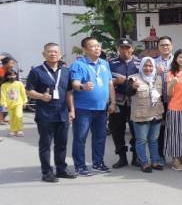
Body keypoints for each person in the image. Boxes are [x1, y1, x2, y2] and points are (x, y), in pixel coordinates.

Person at [25, 43, 77, 182]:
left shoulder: (66, 72)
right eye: (49, 52)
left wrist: (72, 109)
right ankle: (47, 172)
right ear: (44, 54)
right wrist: (41, 96)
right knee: (45, 144)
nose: (53, 54)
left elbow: (69, 92)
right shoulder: (36, 71)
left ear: (60, 54)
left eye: (55, 52)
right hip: (45, 114)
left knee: (61, 144)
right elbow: (28, 90)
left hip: (62, 114)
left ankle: (61, 169)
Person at [69, 37, 116, 176]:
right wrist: (83, 86)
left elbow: (110, 84)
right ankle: (80, 165)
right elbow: (74, 84)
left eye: (98, 46)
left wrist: (113, 102)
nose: (97, 48)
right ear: (84, 49)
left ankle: (98, 162)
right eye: (93, 46)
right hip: (83, 108)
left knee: (100, 137)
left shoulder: (104, 63)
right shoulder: (78, 64)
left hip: (101, 108)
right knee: (80, 138)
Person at [108, 38, 141, 168]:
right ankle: (121, 157)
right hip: (117, 101)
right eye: (122, 47)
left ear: (132, 49)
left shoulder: (139, 62)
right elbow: (105, 79)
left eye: (127, 48)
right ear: (118, 49)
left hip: (136, 101)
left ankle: (136, 157)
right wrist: (116, 81)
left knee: (136, 130)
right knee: (117, 130)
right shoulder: (110, 63)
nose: (125, 50)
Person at [128, 57, 164, 172]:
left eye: (150, 66)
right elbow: (128, 92)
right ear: (141, 66)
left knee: (154, 140)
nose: (148, 68)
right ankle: (144, 162)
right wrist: (133, 87)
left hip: (156, 114)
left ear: (153, 67)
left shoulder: (158, 78)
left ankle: (155, 161)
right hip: (141, 115)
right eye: (145, 66)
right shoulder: (133, 78)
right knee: (141, 140)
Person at [165, 49, 182, 171]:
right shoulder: (171, 73)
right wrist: (172, 83)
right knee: (176, 135)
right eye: (181, 57)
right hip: (175, 107)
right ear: (176, 59)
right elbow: (168, 93)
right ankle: (175, 160)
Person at [154, 36, 174, 157]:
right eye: (162, 45)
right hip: (159, 100)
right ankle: (159, 156)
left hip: (174, 100)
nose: (165, 47)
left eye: (167, 45)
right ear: (158, 47)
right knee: (159, 130)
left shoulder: (178, 61)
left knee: (174, 129)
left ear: (171, 46)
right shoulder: (153, 62)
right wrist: (156, 72)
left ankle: (175, 156)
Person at [0, 69, 27, 136]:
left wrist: (24, 101)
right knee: (12, 118)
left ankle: (19, 130)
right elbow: (3, 95)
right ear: (7, 76)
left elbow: (23, 93)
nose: (12, 77)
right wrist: (4, 104)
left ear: (16, 75)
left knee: (18, 116)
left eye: (14, 75)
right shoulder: (4, 85)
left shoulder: (19, 83)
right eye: (10, 75)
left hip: (18, 103)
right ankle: (13, 130)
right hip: (9, 105)